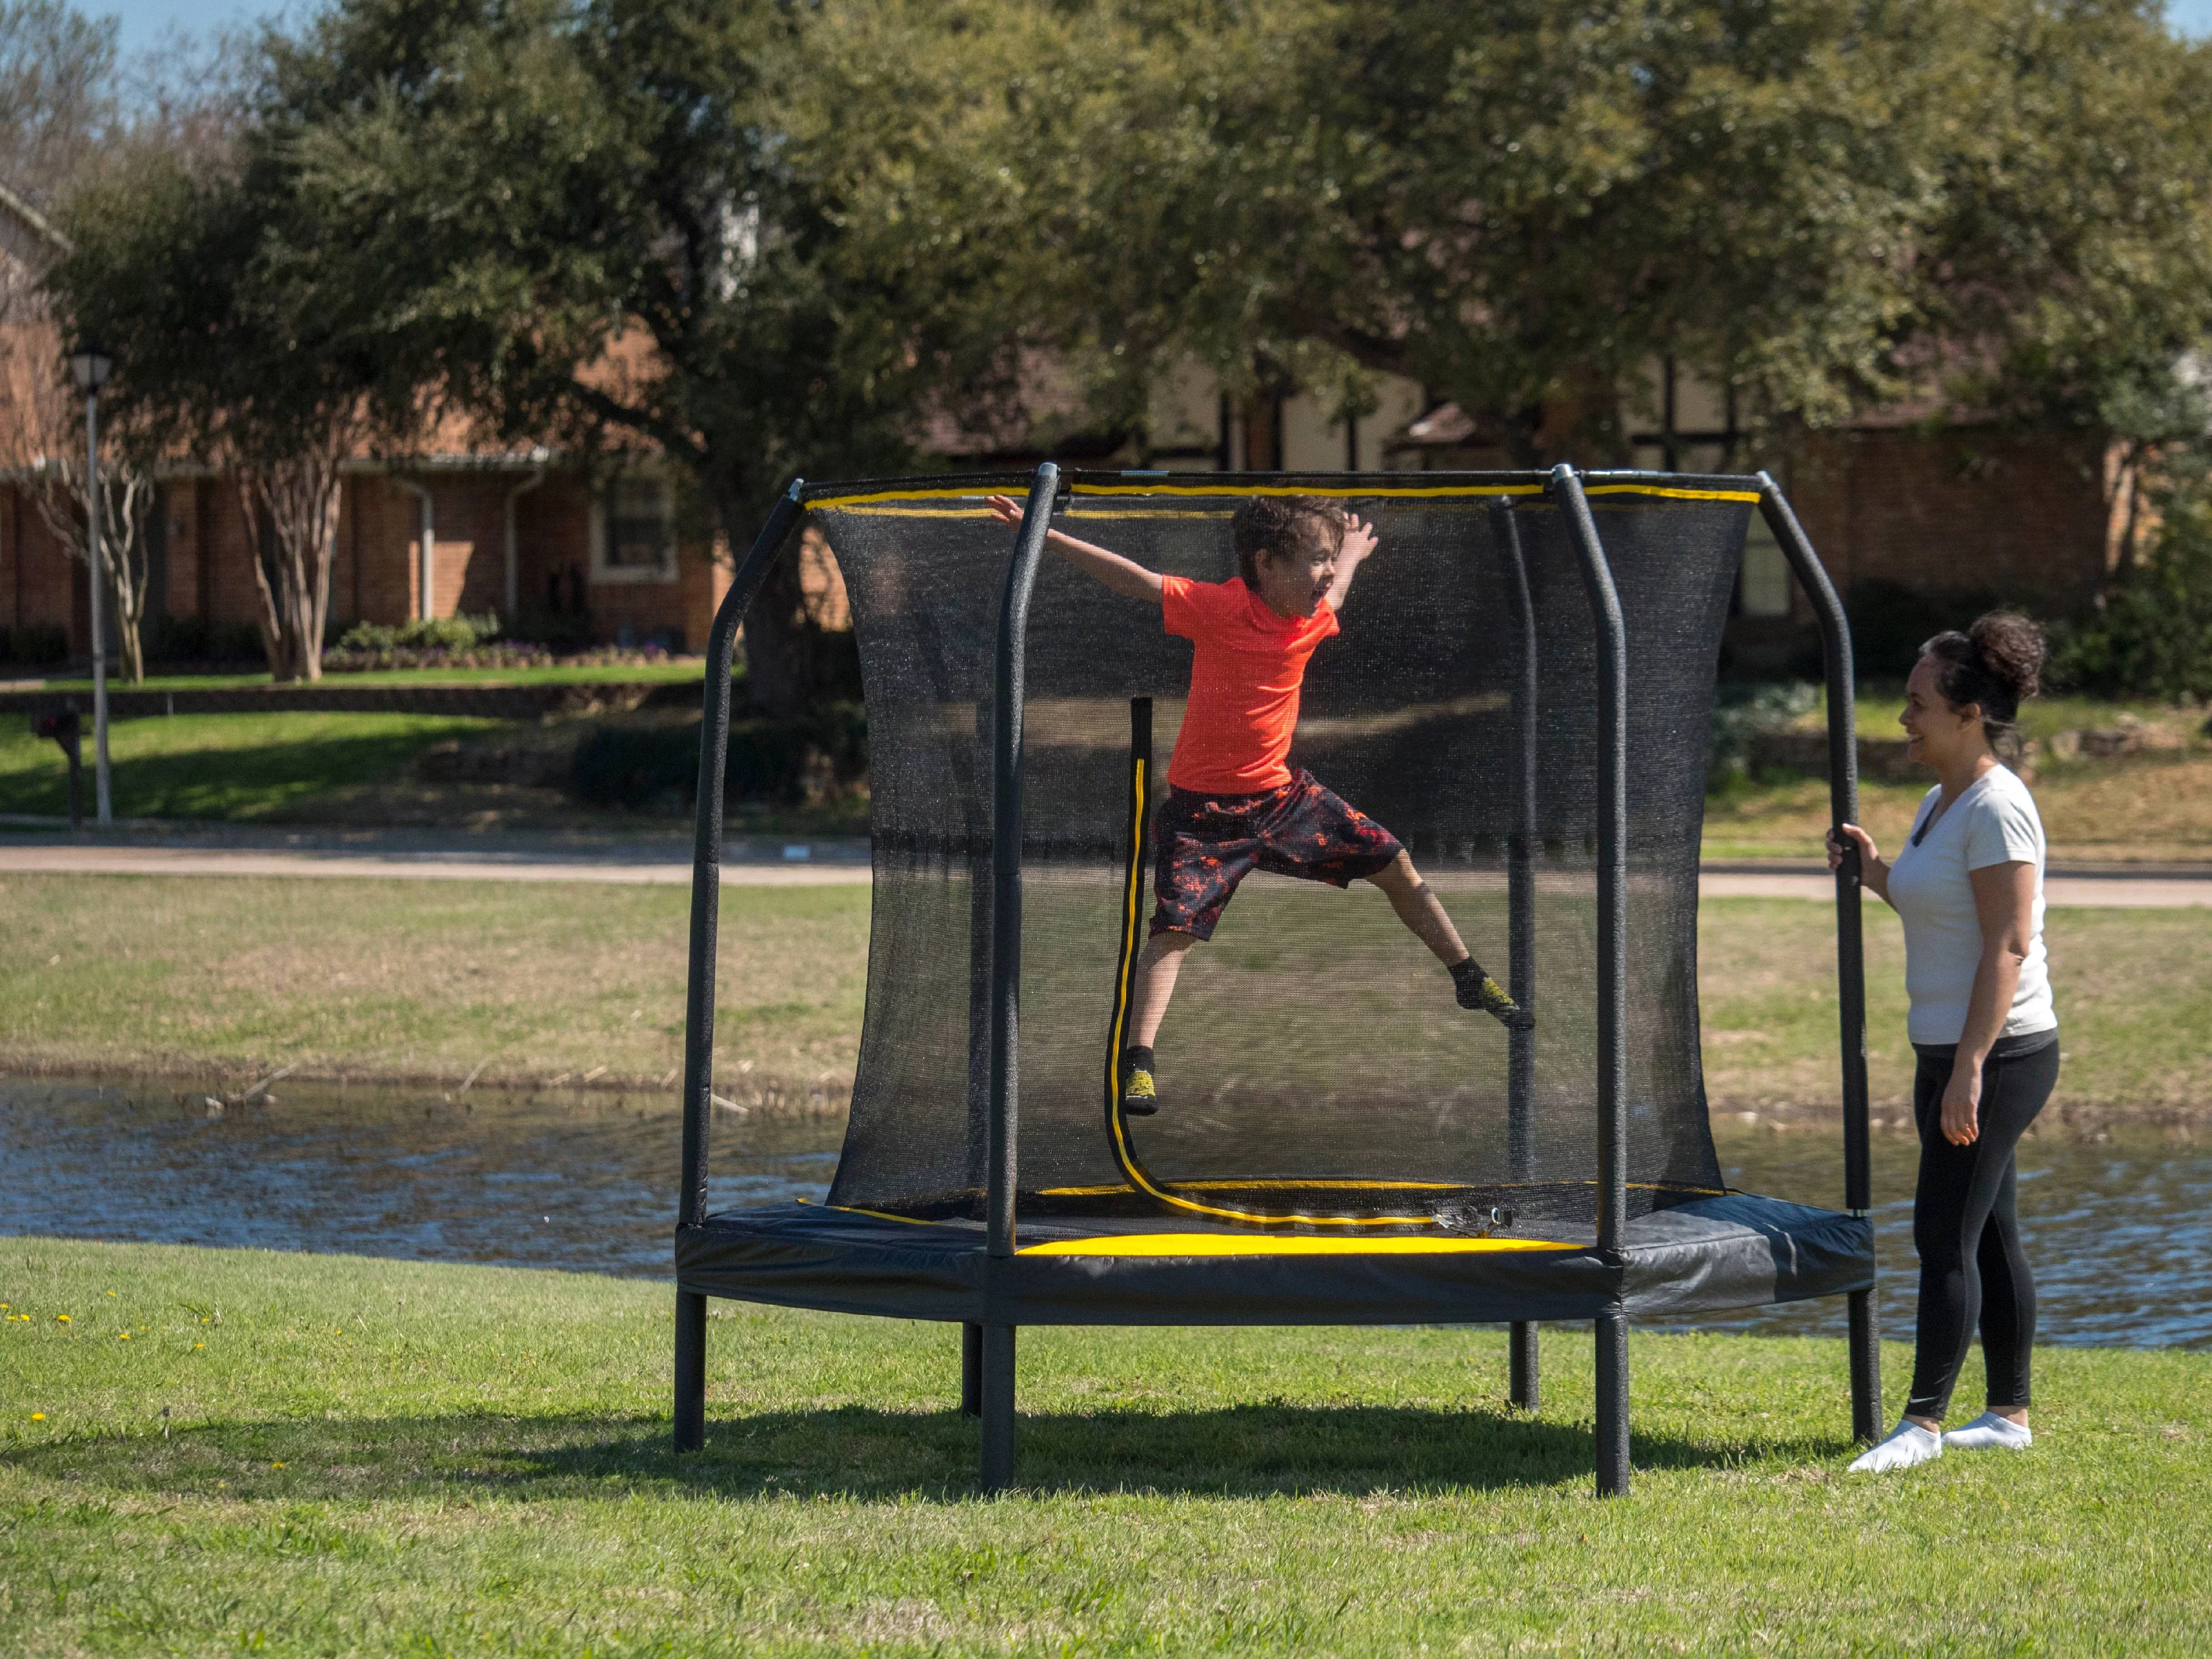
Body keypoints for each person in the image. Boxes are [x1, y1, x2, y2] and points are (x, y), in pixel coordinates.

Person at [985, 491, 1528, 1117]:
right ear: (1266, 565)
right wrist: (1045, 538)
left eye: (1327, 561)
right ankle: (1138, 1062)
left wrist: (1348, 553)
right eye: (1313, 561)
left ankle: (1465, 975)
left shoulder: (1311, 616)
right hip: (1204, 816)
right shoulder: (1221, 607)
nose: (1324, 575)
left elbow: (1341, 591)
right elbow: (1135, 579)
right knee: (1173, 931)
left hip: (1282, 799)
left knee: (1396, 863)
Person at [1828, 613, 2058, 1474]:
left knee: (1940, 1232)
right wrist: (1876, 869)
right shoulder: (1940, 802)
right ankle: (2008, 1416)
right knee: (1990, 1231)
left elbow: (2008, 946)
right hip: (1949, 1050)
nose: (1903, 718)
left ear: (1967, 714)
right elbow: (1941, 912)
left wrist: (1967, 1069)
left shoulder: (2000, 808)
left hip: (1999, 1054)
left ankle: (1920, 1426)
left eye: (1918, 703)